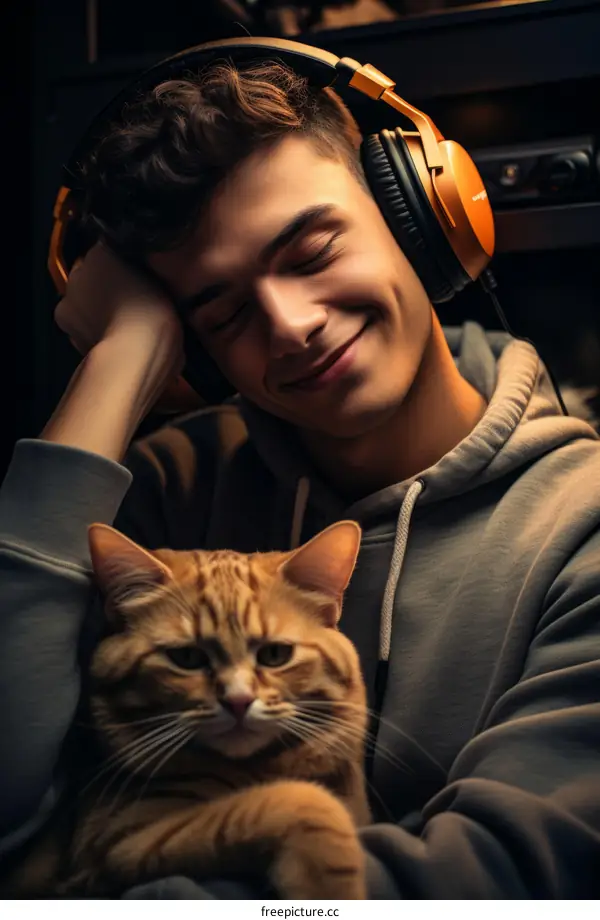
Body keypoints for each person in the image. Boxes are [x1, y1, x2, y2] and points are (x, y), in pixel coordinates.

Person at [1, 53, 600, 900]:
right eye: (225, 312)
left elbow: (508, 885)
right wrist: (120, 360)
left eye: (313, 250)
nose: (292, 327)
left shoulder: (585, 528)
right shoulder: (162, 490)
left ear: (420, 216)